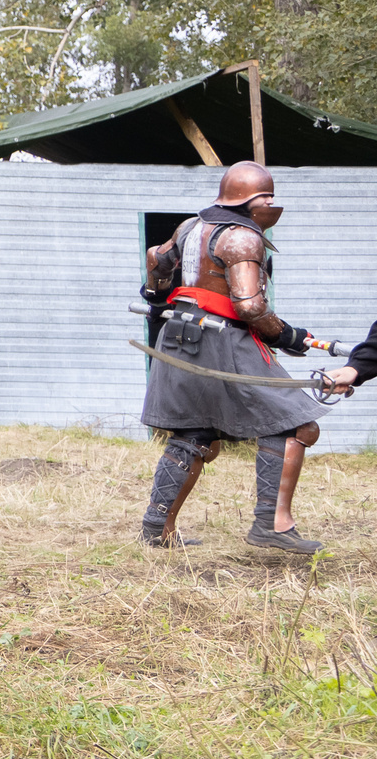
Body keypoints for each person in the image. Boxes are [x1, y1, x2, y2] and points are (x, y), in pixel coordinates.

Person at [138, 163, 326, 554]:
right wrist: (287, 335)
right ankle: (272, 525)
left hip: (180, 335)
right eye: (267, 198)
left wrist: (156, 299)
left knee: (194, 434)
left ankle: (158, 527)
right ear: (247, 201)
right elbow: (250, 306)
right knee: (296, 426)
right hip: (222, 340)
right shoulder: (242, 238)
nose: (272, 204)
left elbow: (158, 259)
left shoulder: (190, 226)